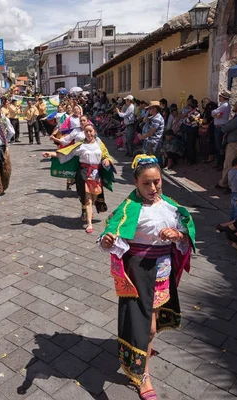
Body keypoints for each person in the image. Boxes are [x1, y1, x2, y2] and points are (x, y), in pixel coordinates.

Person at [99, 154, 195, 399]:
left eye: (157, 181)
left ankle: (143, 348)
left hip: (163, 271)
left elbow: (187, 231)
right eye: (147, 183)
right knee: (146, 326)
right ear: (135, 183)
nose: (154, 188)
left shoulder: (171, 205)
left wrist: (178, 235)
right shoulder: (129, 208)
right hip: (138, 272)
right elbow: (112, 232)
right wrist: (109, 240)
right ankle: (142, 375)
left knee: (150, 322)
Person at [44, 123, 115, 234]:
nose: (89, 133)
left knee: (95, 197)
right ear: (84, 133)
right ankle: (89, 223)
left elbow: (106, 155)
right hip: (83, 174)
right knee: (87, 199)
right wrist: (51, 153)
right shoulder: (79, 145)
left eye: (91, 131)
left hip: (96, 174)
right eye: (86, 131)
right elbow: (65, 153)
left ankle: (90, 209)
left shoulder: (99, 143)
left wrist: (106, 160)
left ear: (94, 132)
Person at [216, 98, 237, 194]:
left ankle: (232, 187)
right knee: (227, 164)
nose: (234, 106)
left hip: (234, 144)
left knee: (232, 166)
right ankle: (224, 183)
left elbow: (227, 127)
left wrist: (220, 125)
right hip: (231, 143)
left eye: (236, 104)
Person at [212, 91, 232, 169]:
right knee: (218, 145)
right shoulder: (222, 105)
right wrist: (215, 115)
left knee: (220, 146)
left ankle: (221, 164)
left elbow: (214, 112)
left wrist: (215, 114)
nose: (219, 97)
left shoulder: (225, 105)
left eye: (220, 96)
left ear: (224, 97)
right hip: (218, 127)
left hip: (221, 127)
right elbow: (215, 114)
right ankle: (219, 162)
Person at [180, 98, 201, 165]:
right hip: (188, 129)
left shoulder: (196, 112)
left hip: (192, 130)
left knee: (191, 145)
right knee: (188, 145)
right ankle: (188, 159)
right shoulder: (191, 111)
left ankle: (191, 160)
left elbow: (188, 120)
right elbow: (182, 117)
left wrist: (185, 119)